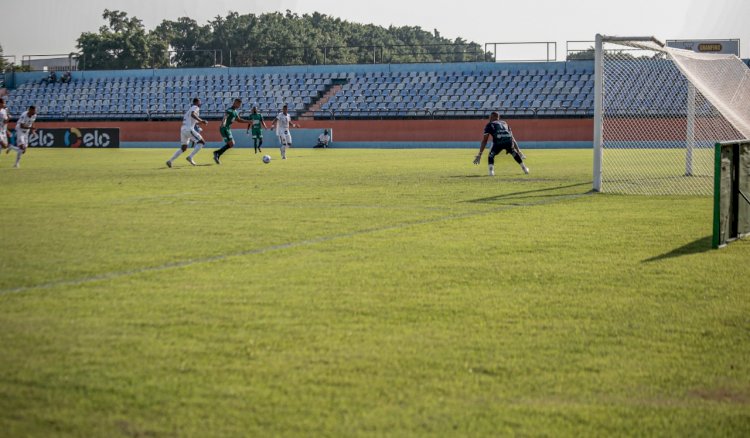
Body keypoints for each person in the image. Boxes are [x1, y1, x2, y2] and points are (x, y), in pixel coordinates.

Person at [473, 111, 529, 176]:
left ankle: (491, 172)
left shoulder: (490, 124)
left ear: (493, 117)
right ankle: (524, 169)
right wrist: (519, 151)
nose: (489, 118)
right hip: (508, 141)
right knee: (513, 152)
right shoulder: (505, 123)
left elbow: (485, 140)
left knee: (491, 155)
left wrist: (480, 154)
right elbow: (512, 138)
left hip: (498, 142)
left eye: (490, 116)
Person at [166, 97, 208, 168]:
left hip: (183, 129)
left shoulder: (188, 110)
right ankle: (190, 157)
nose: (200, 103)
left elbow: (193, 121)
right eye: (199, 102)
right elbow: (193, 114)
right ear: (196, 102)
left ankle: (170, 161)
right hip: (189, 129)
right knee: (202, 142)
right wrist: (201, 120)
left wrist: (201, 122)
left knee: (184, 148)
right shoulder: (195, 107)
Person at [213, 98, 252, 165]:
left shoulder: (235, 112)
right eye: (238, 104)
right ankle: (217, 153)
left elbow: (239, 120)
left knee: (231, 144)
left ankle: (217, 153)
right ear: (235, 103)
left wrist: (248, 121)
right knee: (231, 143)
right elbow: (225, 117)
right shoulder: (229, 110)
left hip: (227, 128)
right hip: (224, 128)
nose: (239, 105)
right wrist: (223, 123)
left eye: (240, 104)